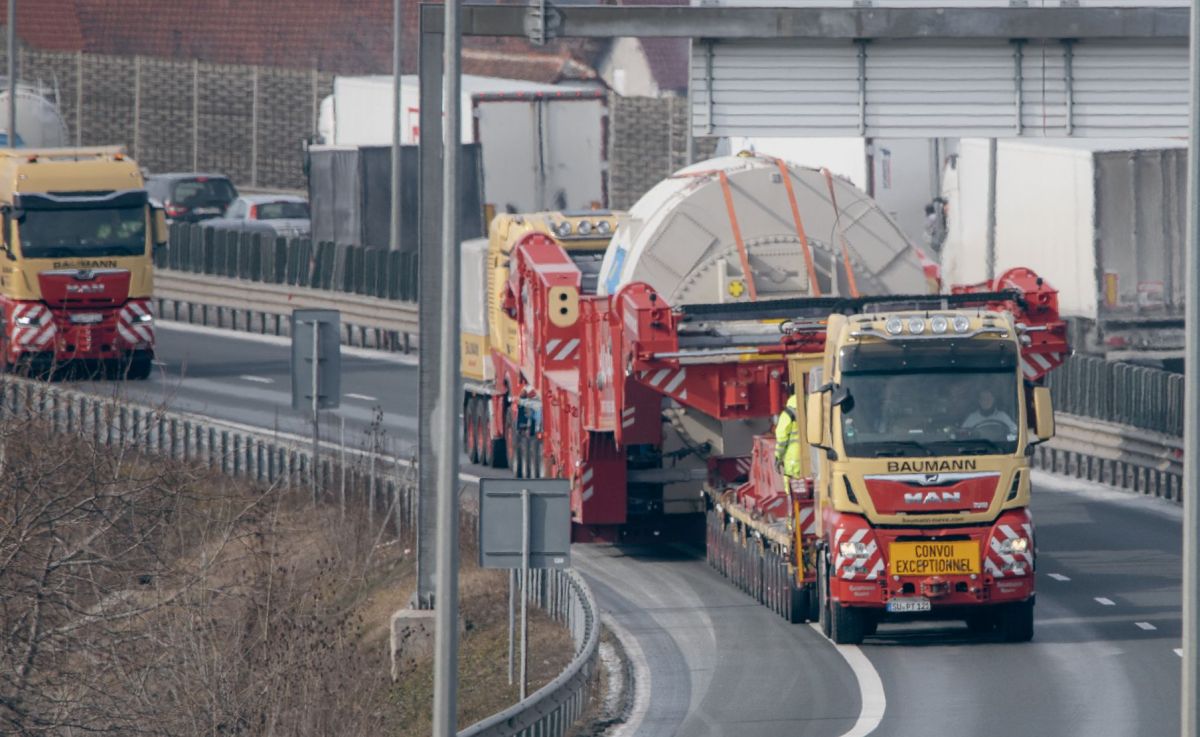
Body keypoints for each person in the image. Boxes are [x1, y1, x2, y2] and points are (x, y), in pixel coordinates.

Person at [774, 391, 802, 482]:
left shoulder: (788, 414)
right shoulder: (811, 402)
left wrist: (778, 457)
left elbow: (782, 438)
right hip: (815, 455)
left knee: (794, 489)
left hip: (794, 458)